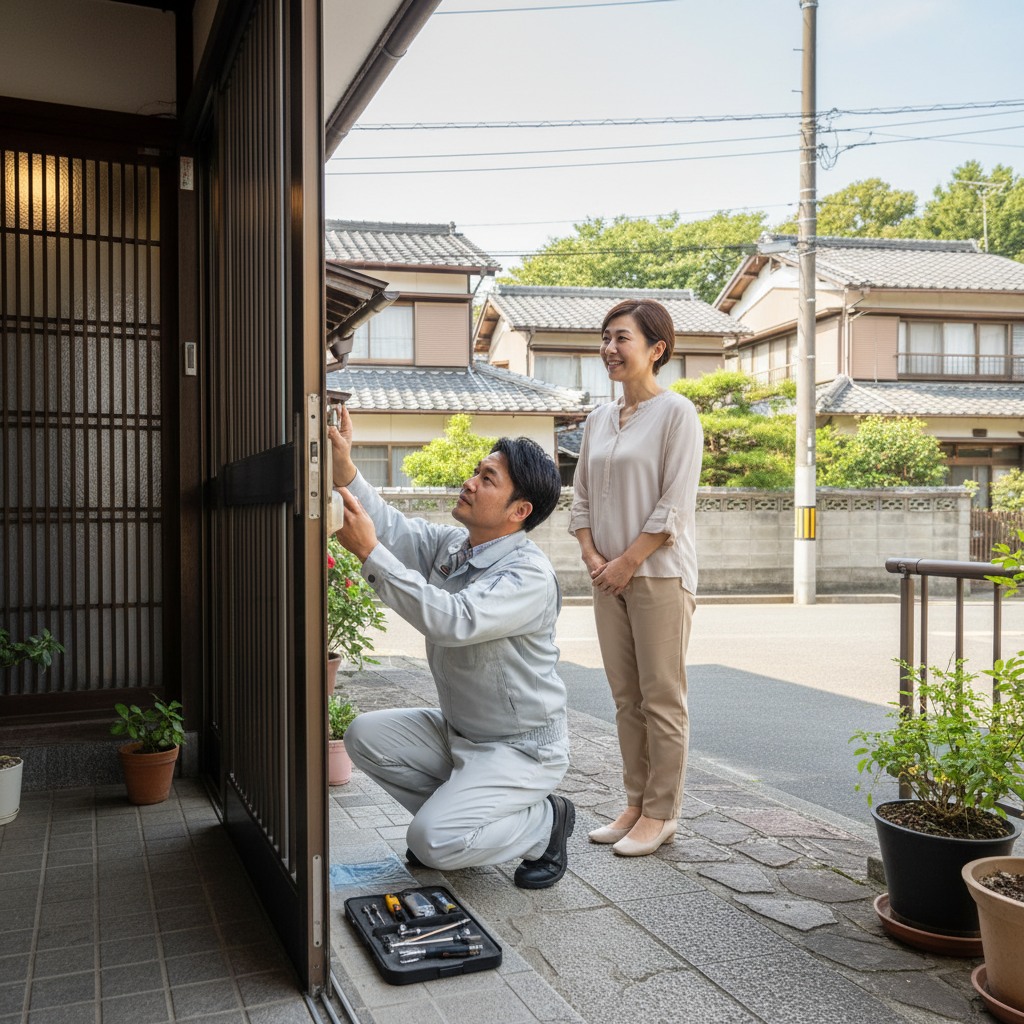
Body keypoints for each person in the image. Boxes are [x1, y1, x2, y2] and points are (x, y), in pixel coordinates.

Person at [327, 405, 575, 888]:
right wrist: (347, 473)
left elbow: (454, 621)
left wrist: (368, 553)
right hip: (460, 732)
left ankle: (545, 825)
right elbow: (395, 529)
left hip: (518, 749)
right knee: (363, 736)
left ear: (519, 511)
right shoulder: (454, 546)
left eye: (488, 478)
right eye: (477, 471)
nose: (470, 482)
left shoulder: (526, 575)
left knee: (432, 843)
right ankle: (460, 818)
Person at [570, 298, 703, 857]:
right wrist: (591, 555)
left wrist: (627, 561)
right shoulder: (599, 419)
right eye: (605, 337)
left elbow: (674, 503)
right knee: (626, 698)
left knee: (662, 697)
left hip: (659, 576)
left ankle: (661, 812)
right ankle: (634, 802)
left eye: (621, 338)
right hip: (607, 576)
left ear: (657, 349)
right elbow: (577, 496)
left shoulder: (678, 414)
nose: (609, 349)